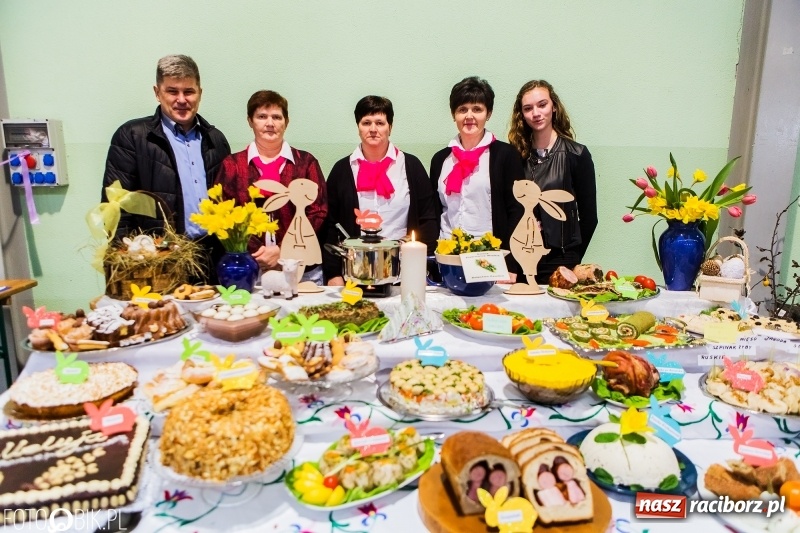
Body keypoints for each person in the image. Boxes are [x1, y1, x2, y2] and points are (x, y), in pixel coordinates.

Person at [102, 54, 231, 281]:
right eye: (172, 91)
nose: (182, 99)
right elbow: (115, 210)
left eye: (189, 91)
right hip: (158, 259)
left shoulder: (216, 140)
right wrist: (128, 263)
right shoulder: (132, 137)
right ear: (157, 92)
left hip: (210, 257)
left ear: (200, 93)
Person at [215, 90, 328, 284]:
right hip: (248, 269)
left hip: (301, 270)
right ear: (250, 121)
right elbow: (223, 214)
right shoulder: (231, 165)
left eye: (277, 117)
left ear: (286, 122)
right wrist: (259, 254)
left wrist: (283, 250)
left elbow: (318, 212)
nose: (270, 123)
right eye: (261, 116)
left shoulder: (306, 163)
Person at [323, 95, 438, 285]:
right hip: (354, 274)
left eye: (380, 122)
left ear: (390, 127)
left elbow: (428, 220)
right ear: (358, 127)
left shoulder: (411, 166)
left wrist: (422, 264)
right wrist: (334, 274)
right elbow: (330, 225)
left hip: (404, 272)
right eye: (366, 122)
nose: (373, 129)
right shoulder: (341, 170)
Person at [430, 76, 525, 281]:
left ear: (488, 113)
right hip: (448, 257)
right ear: (453, 114)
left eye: (477, 109)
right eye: (462, 109)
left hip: (490, 258)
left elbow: (517, 212)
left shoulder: (506, 155)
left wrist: (510, 263)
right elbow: (437, 211)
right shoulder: (441, 160)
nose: (469, 116)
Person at [508, 79, 597, 283]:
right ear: (521, 114)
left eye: (542, 105)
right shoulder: (516, 156)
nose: (536, 113)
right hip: (523, 257)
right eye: (528, 108)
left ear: (554, 106)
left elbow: (590, 217)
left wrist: (573, 257)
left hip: (561, 258)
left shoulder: (577, 155)